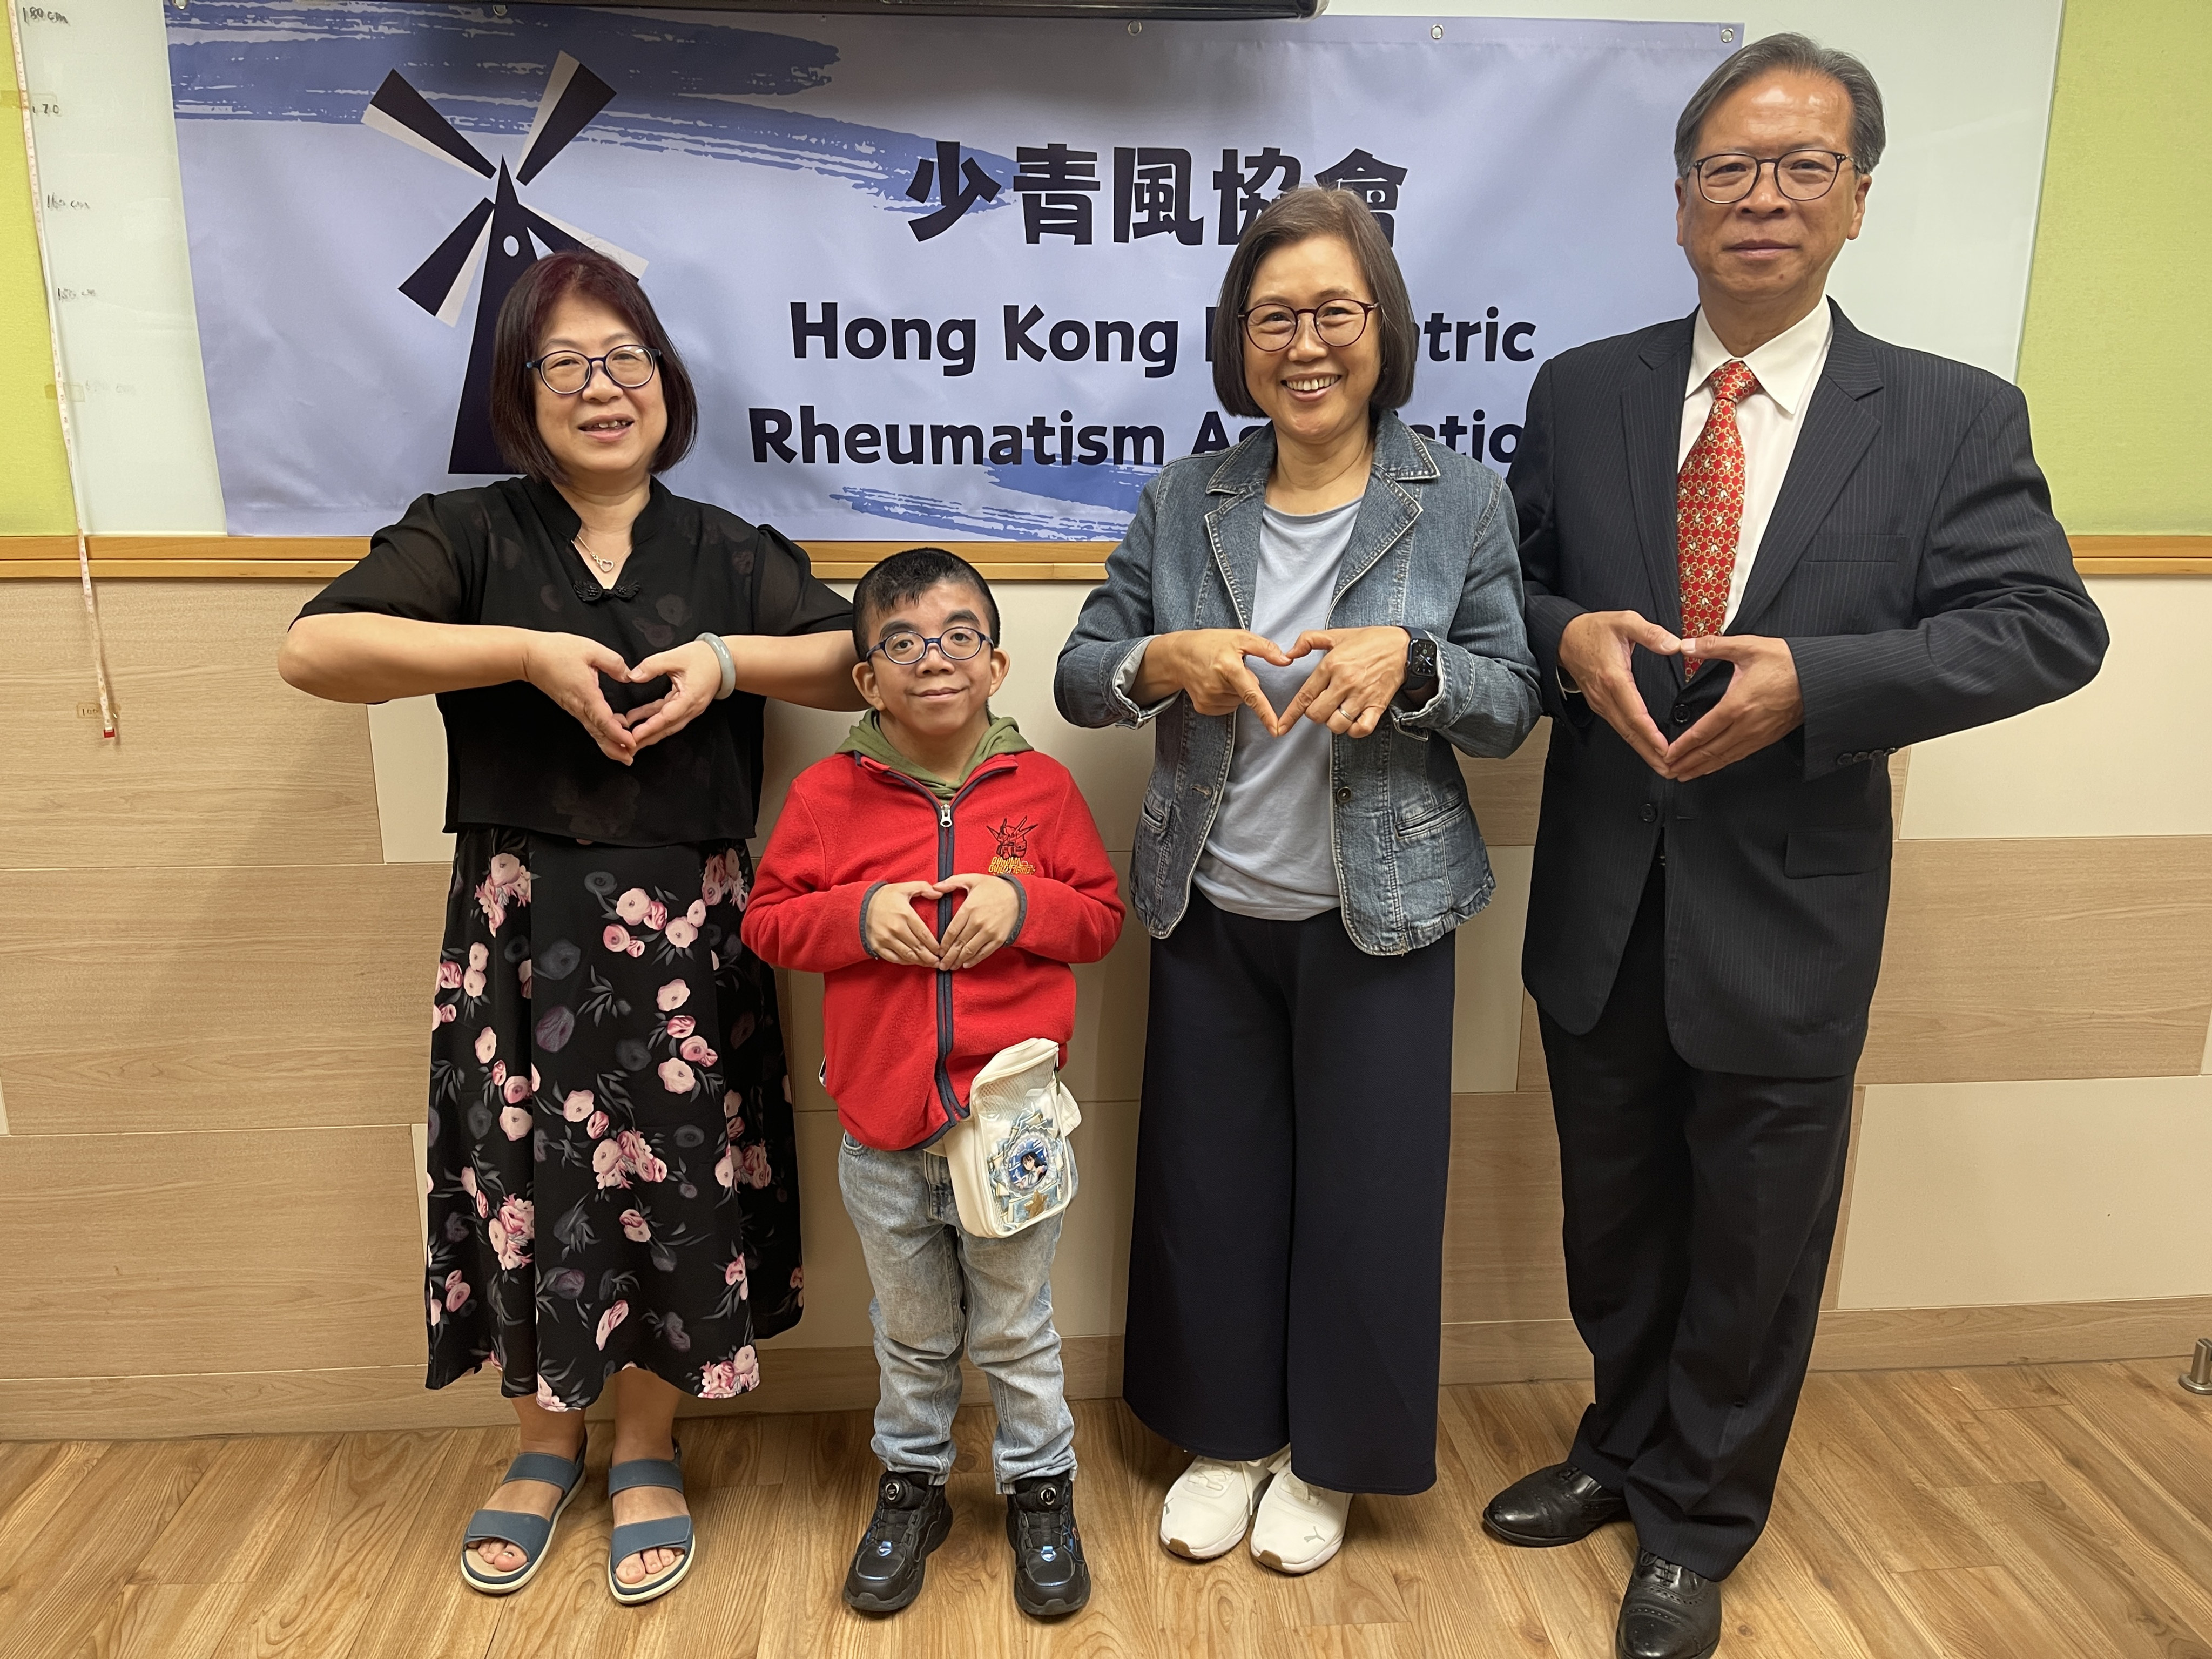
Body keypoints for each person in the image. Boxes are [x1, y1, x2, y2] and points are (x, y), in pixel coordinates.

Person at [1486, 34, 2108, 1659]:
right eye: (1729, 170)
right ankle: (1619, 1449)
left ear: (1858, 202)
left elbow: (2046, 630)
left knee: (1760, 1242)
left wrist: (1820, 686)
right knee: (1615, 1217)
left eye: (1802, 167)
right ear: (1680, 204)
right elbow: (1506, 593)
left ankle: (1701, 1518)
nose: (1762, 198)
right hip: (1604, 898)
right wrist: (1569, 646)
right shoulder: (1583, 390)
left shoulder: (1953, 418)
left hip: (1793, 909)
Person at [277, 249, 865, 1606]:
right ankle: (543, 1442)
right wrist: (519, 650)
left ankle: (648, 1445)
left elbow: (857, 661)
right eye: (569, 365)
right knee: (526, 1180)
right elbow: (317, 651)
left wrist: (728, 661)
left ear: (666, 382)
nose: (604, 390)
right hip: (517, 926)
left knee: (671, 1190)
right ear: (520, 395)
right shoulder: (472, 535)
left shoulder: (727, 548)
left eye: (628, 361)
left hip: (685, 941)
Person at [1056, 188, 1542, 1574]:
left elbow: (1510, 699)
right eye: (1274, 317)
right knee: (1211, 1186)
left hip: (1381, 910)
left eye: (1334, 311)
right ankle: (1228, 1439)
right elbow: (1082, 669)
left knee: (1368, 1194)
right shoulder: (1184, 496)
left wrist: (1420, 669)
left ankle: (1329, 1460)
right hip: (1208, 902)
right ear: (1238, 341)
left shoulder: (1457, 495)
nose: (1305, 343)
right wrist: (1164, 661)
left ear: (1381, 329)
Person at [743, 547, 1125, 1619]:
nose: (933, 659)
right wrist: (859, 915)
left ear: (996, 663)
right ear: (866, 679)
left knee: (1014, 1325)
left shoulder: (1041, 791)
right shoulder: (827, 796)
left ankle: (1039, 1487)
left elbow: (1098, 919)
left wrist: (1026, 903)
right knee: (909, 1327)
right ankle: (910, 1482)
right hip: (882, 1131)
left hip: (1011, 1130)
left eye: (959, 636)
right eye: (901, 643)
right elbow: (767, 923)